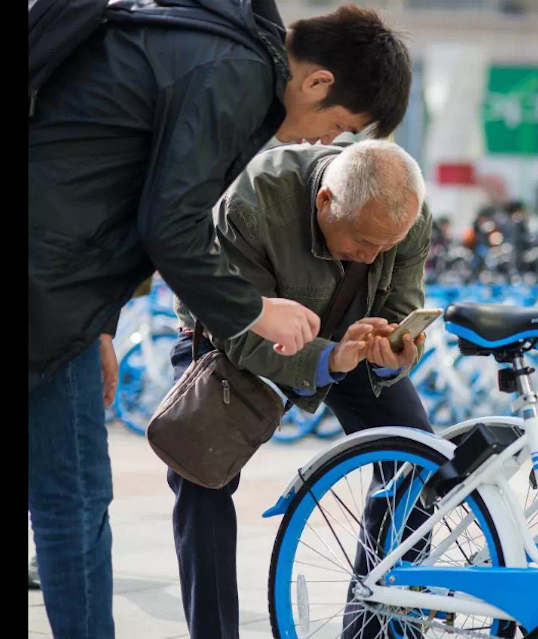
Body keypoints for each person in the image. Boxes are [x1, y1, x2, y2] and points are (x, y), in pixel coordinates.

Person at [27, 3, 413, 636]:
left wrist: (98, 323)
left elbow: (107, 189)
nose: (324, 143)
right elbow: (169, 227)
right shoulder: (233, 74)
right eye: (337, 125)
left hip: (60, 296)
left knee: (70, 504)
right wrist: (257, 311)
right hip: (48, 291)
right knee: (74, 507)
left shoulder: (215, 48)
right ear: (317, 82)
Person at [169, 140, 432, 639]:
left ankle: (379, 629)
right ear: (325, 200)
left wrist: (394, 354)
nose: (373, 255)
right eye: (362, 241)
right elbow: (238, 330)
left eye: (386, 245)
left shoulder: (405, 217)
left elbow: (402, 309)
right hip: (234, 338)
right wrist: (327, 358)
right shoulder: (250, 204)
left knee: (418, 458)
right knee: (200, 477)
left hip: (351, 342)